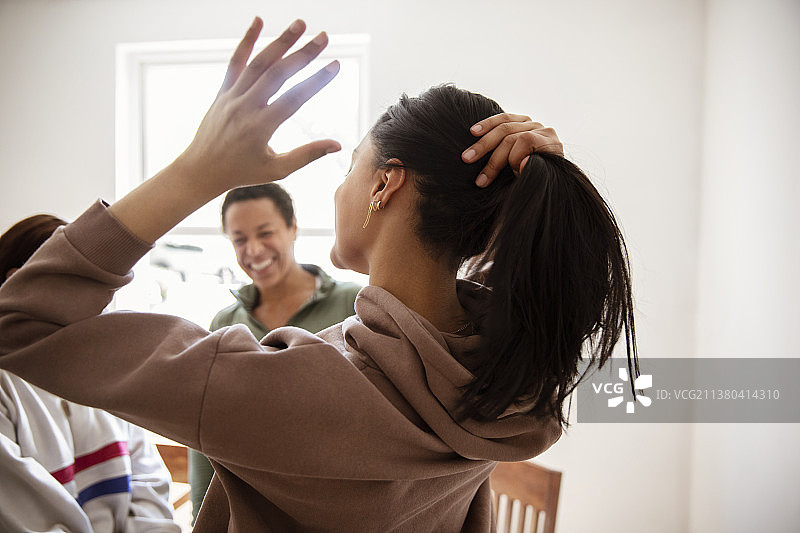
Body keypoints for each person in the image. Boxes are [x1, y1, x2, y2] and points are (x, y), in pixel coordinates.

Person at [0, 17, 637, 532]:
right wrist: (534, 186)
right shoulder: (507, 382)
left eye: (348, 171)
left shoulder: (277, 388)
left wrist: (195, 171)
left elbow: (18, 323)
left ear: (385, 185)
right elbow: (535, 290)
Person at [188, 183, 360, 520]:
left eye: (265, 233)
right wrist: (200, 517)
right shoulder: (224, 324)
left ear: (293, 227)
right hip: (251, 512)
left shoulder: (353, 304)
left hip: (336, 510)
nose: (253, 250)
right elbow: (205, 433)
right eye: (239, 239)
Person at [0, 214, 180, 533]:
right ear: (18, 282)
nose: (99, 303)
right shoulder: (6, 386)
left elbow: (150, 485)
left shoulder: (104, 368)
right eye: (79, 285)